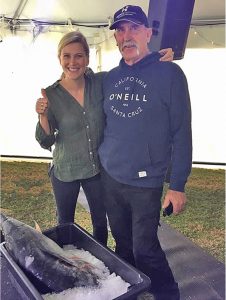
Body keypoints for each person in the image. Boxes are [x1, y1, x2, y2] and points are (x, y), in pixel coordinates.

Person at [35, 31, 174, 247]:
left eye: (79, 56)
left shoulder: (102, 82)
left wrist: (156, 59)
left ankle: (100, 263)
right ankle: (67, 267)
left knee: (100, 223)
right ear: (60, 59)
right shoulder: (51, 94)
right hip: (65, 170)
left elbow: (132, 75)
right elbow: (46, 141)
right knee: (65, 225)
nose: (73, 62)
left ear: (87, 59)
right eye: (67, 56)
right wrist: (42, 115)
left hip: (97, 170)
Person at [99, 5, 192, 300]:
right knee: (123, 245)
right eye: (121, 30)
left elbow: (182, 131)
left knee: (145, 248)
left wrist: (177, 185)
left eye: (134, 28)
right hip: (110, 176)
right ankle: (130, 292)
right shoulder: (108, 78)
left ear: (148, 33)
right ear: (115, 38)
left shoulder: (171, 74)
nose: (127, 36)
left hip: (146, 181)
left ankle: (168, 294)